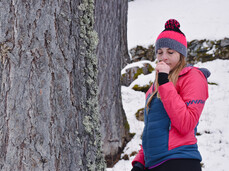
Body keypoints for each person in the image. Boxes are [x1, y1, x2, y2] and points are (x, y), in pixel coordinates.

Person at [131, 19, 210, 171]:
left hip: (180, 161)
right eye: (160, 52)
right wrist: (140, 162)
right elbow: (153, 128)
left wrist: (164, 82)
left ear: (181, 54)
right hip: (154, 164)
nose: (163, 57)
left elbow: (186, 124)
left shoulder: (193, 77)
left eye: (170, 52)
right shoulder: (155, 86)